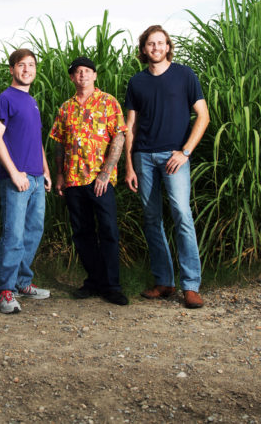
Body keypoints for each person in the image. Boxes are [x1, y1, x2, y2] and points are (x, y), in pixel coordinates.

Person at [123, 25, 210, 309]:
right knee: (151, 220)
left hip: (175, 158)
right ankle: (164, 281)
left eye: (161, 43)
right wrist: (129, 166)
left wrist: (185, 152)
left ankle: (191, 286)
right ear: (144, 49)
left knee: (182, 215)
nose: (156, 48)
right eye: (151, 44)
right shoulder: (136, 82)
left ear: (168, 47)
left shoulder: (186, 76)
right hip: (144, 158)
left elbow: (203, 116)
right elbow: (130, 127)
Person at [49, 56, 129, 306]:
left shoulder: (108, 102)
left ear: (95, 75)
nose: (82, 75)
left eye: (87, 71)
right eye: (77, 72)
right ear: (72, 78)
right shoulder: (66, 107)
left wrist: (106, 172)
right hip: (73, 180)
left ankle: (112, 286)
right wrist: (60, 175)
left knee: (108, 231)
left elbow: (119, 137)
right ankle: (94, 281)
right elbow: (59, 142)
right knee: (82, 233)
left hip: (100, 180)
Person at [0, 48, 53, 314]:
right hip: (17, 179)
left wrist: (46, 171)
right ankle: (5, 291)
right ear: (12, 69)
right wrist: (15, 173)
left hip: (37, 178)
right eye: (21, 65)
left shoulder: (32, 101)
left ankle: (22, 283)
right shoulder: (5, 99)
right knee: (13, 235)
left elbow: (36, 140)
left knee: (32, 233)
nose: (26, 69)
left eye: (31, 65)